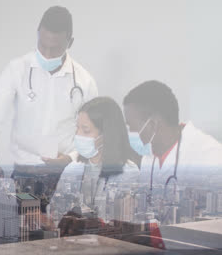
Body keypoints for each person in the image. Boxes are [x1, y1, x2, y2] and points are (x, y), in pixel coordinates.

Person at [0, 6, 98, 211]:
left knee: (60, 230)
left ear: (70, 43)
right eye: (43, 46)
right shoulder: (17, 69)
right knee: (24, 225)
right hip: (25, 174)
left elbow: (95, 132)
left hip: (66, 175)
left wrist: (71, 158)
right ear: (37, 35)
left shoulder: (84, 81)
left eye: (55, 48)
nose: (47, 54)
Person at [123, 80, 222, 248]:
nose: (129, 134)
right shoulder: (149, 156)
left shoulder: (210, 156)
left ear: (153, 124)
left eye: (132, 126)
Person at [49, 97, 139, 233]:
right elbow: (54, 213)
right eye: (77, 128)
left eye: (85, 130)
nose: (78, 135)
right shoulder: (73, 169)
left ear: (106, 135)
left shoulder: (128, 172)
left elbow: (123, 226)